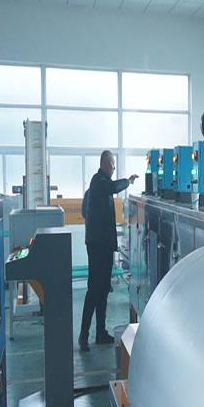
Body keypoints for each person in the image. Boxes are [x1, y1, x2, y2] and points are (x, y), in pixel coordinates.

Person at [79, 150, 138, 352]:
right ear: (105, 163)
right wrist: (128, 181)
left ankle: (100, 332)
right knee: (94, 290)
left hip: (102, 245)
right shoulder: (99, 182)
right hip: (98, 246)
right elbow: (112, 187)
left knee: (103, 289)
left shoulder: (98, 187)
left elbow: (85, 211)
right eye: (112, 164)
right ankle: (83, 335)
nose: (113, 168)